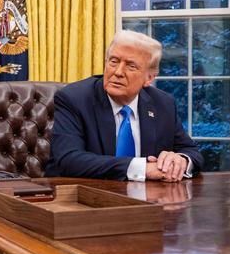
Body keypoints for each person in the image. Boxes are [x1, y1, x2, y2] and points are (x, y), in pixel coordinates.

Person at [45, 30, 203, 181]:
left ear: (149, 78)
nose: (118, 72)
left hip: (147, 200)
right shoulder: (74, 98)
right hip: (80, 198)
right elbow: (68, 160)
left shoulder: (163, 104)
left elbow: (192, 152)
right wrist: (143, 169)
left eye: (131, 66)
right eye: (113, 61)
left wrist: (180, 161)